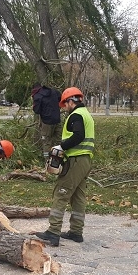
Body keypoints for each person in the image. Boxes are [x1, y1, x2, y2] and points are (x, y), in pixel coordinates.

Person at [35, 87, 94, 246]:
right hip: (85, 160)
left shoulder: (76, 116)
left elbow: (78, 135)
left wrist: (62, 146)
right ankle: (76, 231)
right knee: (78, 196)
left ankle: (53, 232)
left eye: (65, 103)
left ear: (71, 101)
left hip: (75, 160)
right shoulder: (86, 114)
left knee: (61, 193)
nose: (64, 107)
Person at [31, 83, 62, 159]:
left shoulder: (37, 95)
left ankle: (48, 162)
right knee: (59, 142)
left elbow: (37, 110)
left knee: (46, 142)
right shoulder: (53, 91)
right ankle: (59, 161)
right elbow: (60, 97)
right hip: (57, 120)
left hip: (46, 122)